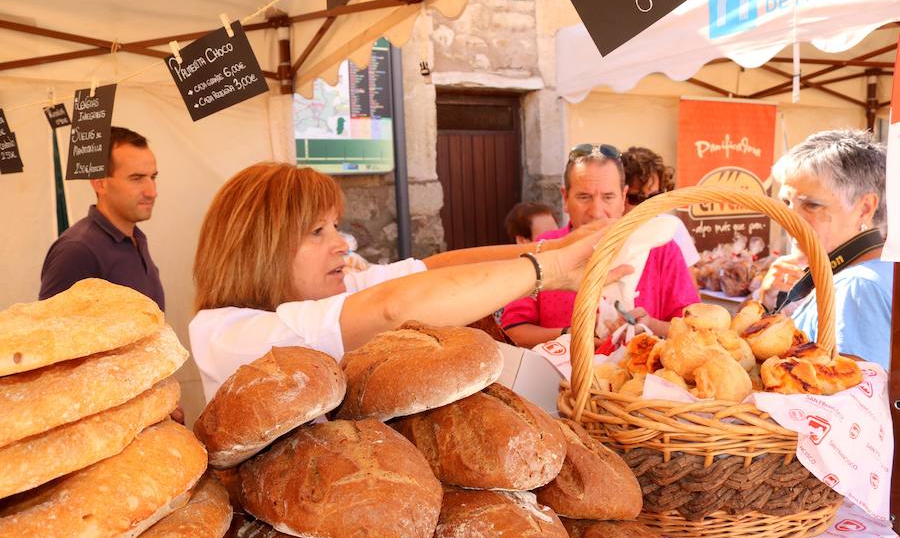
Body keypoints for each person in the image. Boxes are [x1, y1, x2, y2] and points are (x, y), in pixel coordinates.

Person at [189, 163, 630, 401]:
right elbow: (394, 307)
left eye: (336, 227)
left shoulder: (326, 293)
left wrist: (553, 251)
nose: (342, 244)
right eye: (317, 231)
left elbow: (432, 269)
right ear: (261, 248)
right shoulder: (226, 334)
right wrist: (546, 273)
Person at [501, 143, 699, 348]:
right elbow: (513, 331)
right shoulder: (544, 249)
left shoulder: (662, 249)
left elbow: (693, 326)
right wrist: (573, 334)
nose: (596, 211)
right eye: (584, 197)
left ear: (623, 197)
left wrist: (652, 325)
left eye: (608, 197)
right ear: (565, 199)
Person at [758, 129, 891, 369]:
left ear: (864, 208)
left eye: (811, 205)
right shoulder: (875, 270)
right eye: (786, 202)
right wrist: (768, 304)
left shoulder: (857, 286)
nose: (789, 218)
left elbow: (852, 394)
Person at [39, 127, 164, 310]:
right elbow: (52, 331)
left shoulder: (135, 237)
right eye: (136, 178)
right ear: (100, 183)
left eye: (152, 177)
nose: (152, 192)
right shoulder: (77, 251)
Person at [621, 146, 700, 269]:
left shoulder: (672, 228)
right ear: (620, 195)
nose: (647, 206)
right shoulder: (606, 233)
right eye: (636, 198)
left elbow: (689, 284)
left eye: (653, 196)